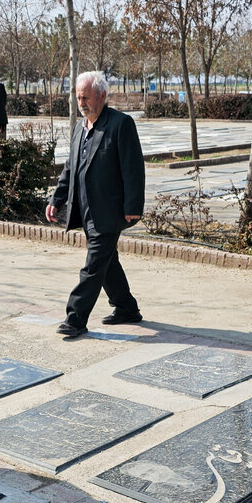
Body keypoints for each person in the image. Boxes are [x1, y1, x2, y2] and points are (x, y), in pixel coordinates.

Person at [45, 70, 145, 337]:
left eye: (86, 97)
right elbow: (71, 167)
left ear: (102, 96)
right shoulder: (80, 127)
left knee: (92, 266)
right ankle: (126, 308)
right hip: (86, 210)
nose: (82, 103)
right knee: (107, 263)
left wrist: (133, 206)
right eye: (78, 97)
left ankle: (75, 319)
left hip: (110, 211)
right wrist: (57, 199)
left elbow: (133, 167)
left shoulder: (120, 124)